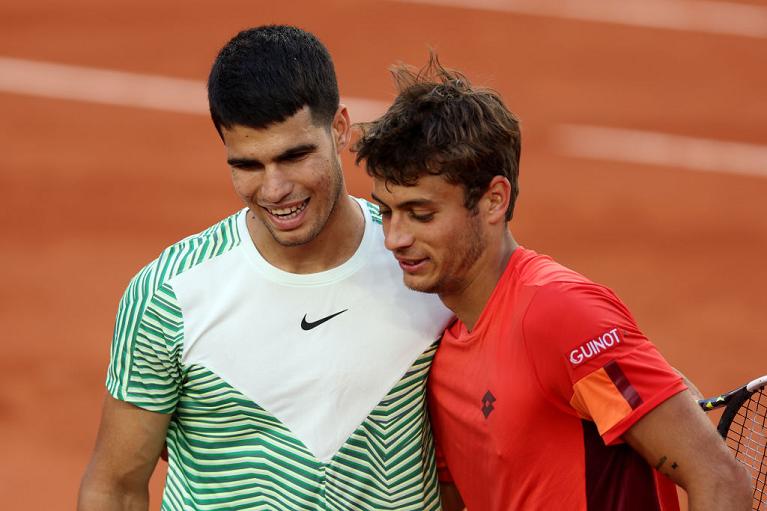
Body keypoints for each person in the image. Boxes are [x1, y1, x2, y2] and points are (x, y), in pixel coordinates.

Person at [353, 54, 753, 511]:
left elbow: (719, 479)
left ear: (492, 201)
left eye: (421, 214)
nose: (395, 238)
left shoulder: (560, 317)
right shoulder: (438, 352)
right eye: (387, 212)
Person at [77, 26, 453, 511]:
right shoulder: (169, 296)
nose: (275, 190)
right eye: (249, 166)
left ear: (340, 128)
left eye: (294, 156)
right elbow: (116, 486)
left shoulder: (421, 264)